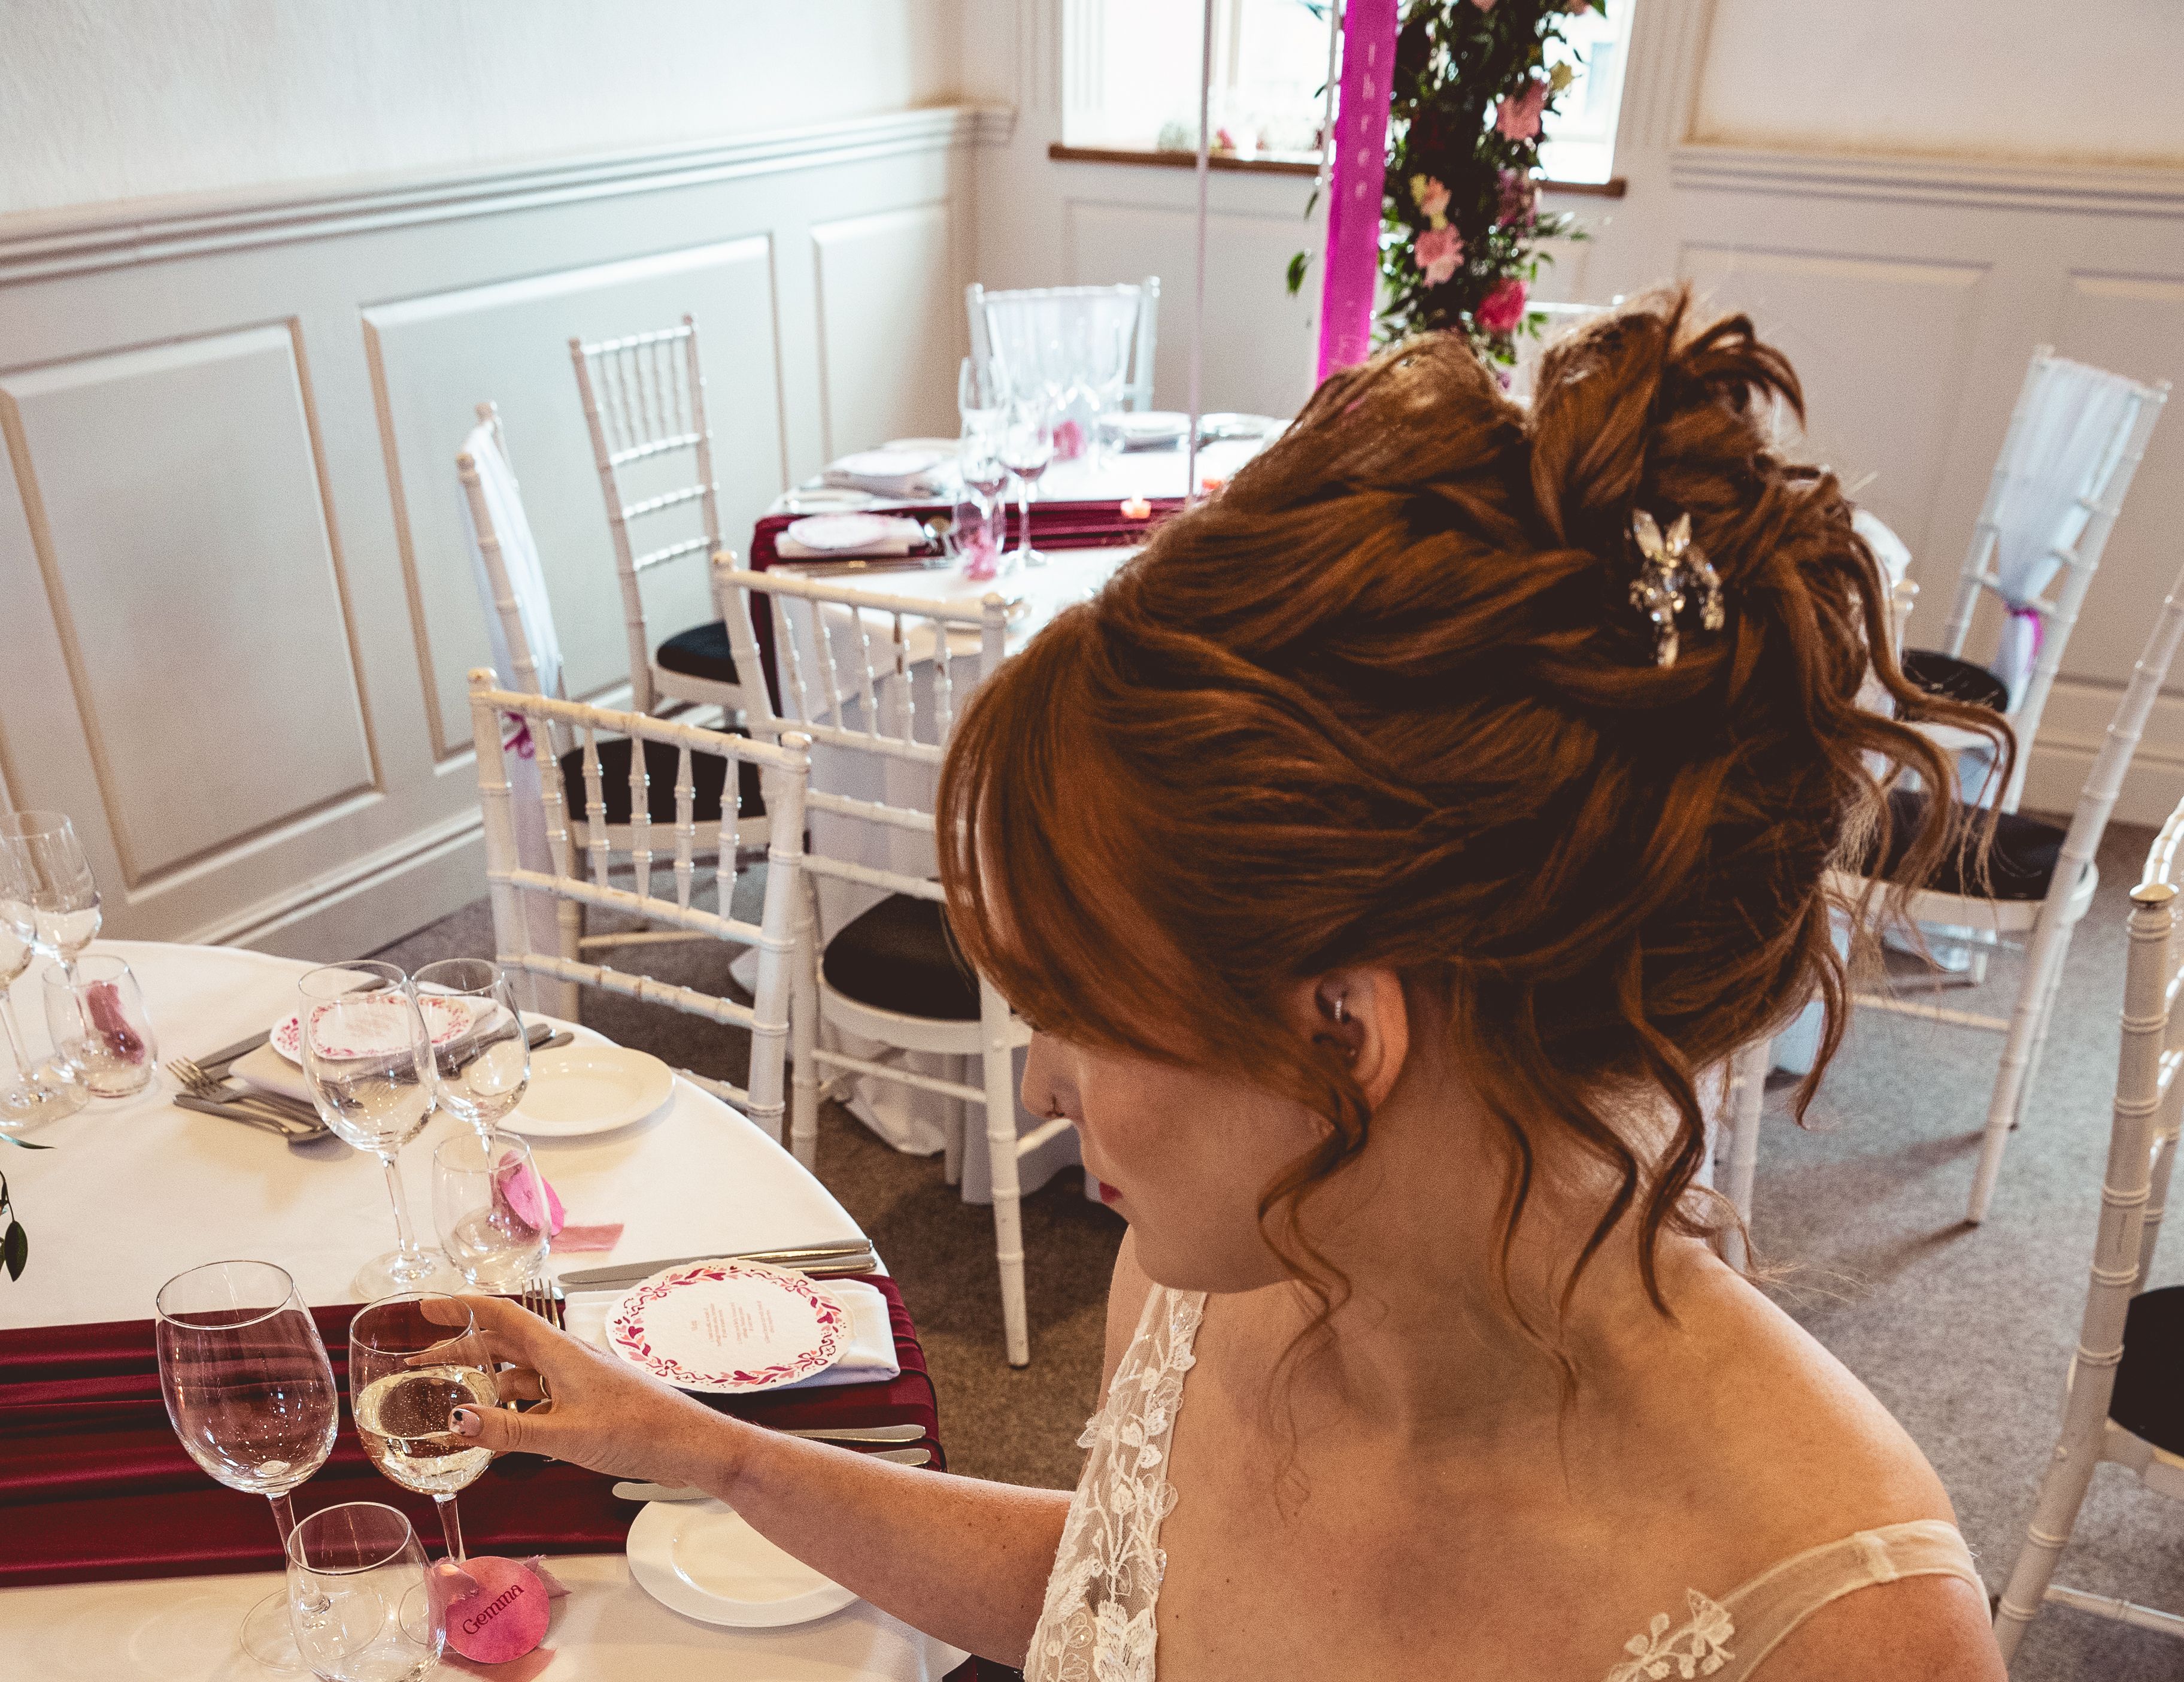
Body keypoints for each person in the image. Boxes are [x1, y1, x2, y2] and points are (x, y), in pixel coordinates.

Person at [442, 289, 2010, 1680]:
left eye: (1081, 1006)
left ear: (1340, 1026)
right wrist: (705, 1451)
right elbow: (1125, 1590)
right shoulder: (1201, 1279)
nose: (1042, 1083)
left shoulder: (1847, 1628)